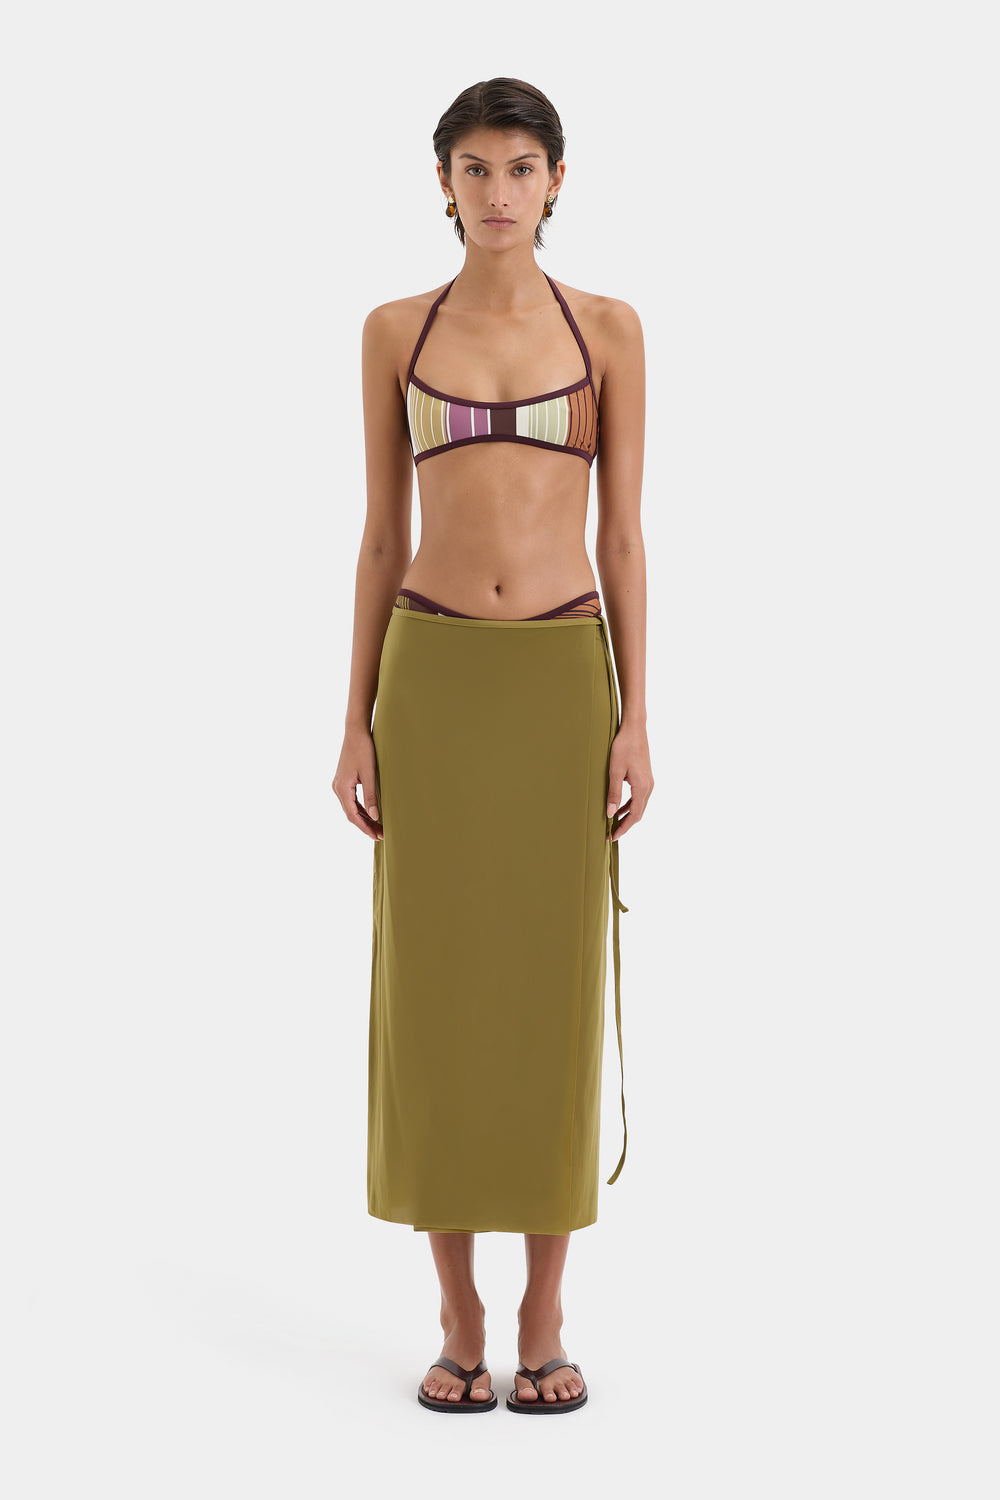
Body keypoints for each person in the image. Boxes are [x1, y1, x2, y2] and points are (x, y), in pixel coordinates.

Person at [332, 77, 652, 1414]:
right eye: (476, 168)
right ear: (444, 183)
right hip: (436, 680)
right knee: (438, 994)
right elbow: (381, 535)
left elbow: (622, 534)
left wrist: (637, 713)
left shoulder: (609, 331)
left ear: (557, 180)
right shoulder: (396, 331)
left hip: (561, 682)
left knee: (549, 995)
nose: (500, 192)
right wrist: (354, 717)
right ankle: (459, 1311)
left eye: (523, 168)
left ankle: (545, 1310)